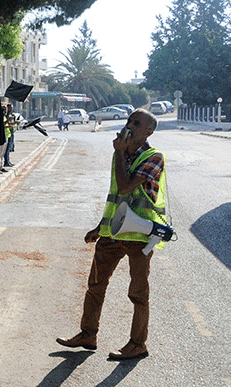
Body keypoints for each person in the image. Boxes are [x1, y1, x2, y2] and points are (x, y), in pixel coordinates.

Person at [57, 109, 166, 361]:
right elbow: (116, 196)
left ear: (148, 132)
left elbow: (128, 185)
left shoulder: (154, 157)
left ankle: (138, 344)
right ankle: (88, 334)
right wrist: (99, 227)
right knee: (95, 285)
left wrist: (119, 152)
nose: (129, 126)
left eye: (136, 123)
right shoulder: (121, 155)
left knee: (138, 293)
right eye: (129, 121)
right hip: (113, 233)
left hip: (138, 237)